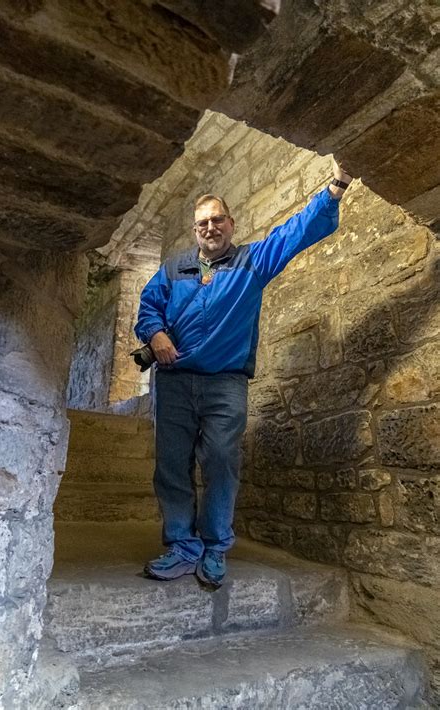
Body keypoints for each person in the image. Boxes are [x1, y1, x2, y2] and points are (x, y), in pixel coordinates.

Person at [134, 160, 352, 587]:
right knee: (172, 465)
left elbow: (295, 232)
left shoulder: (254, 261)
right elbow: (148, 306)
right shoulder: (174, 267)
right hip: (174, 379)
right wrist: (155, 334)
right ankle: (182, 545)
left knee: (220, 461)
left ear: (230, 224)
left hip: (225, 382)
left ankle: (214, 548)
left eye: (217, 220)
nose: (210, 228)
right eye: (202, 223)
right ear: (195, 229)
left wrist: (337, 186)